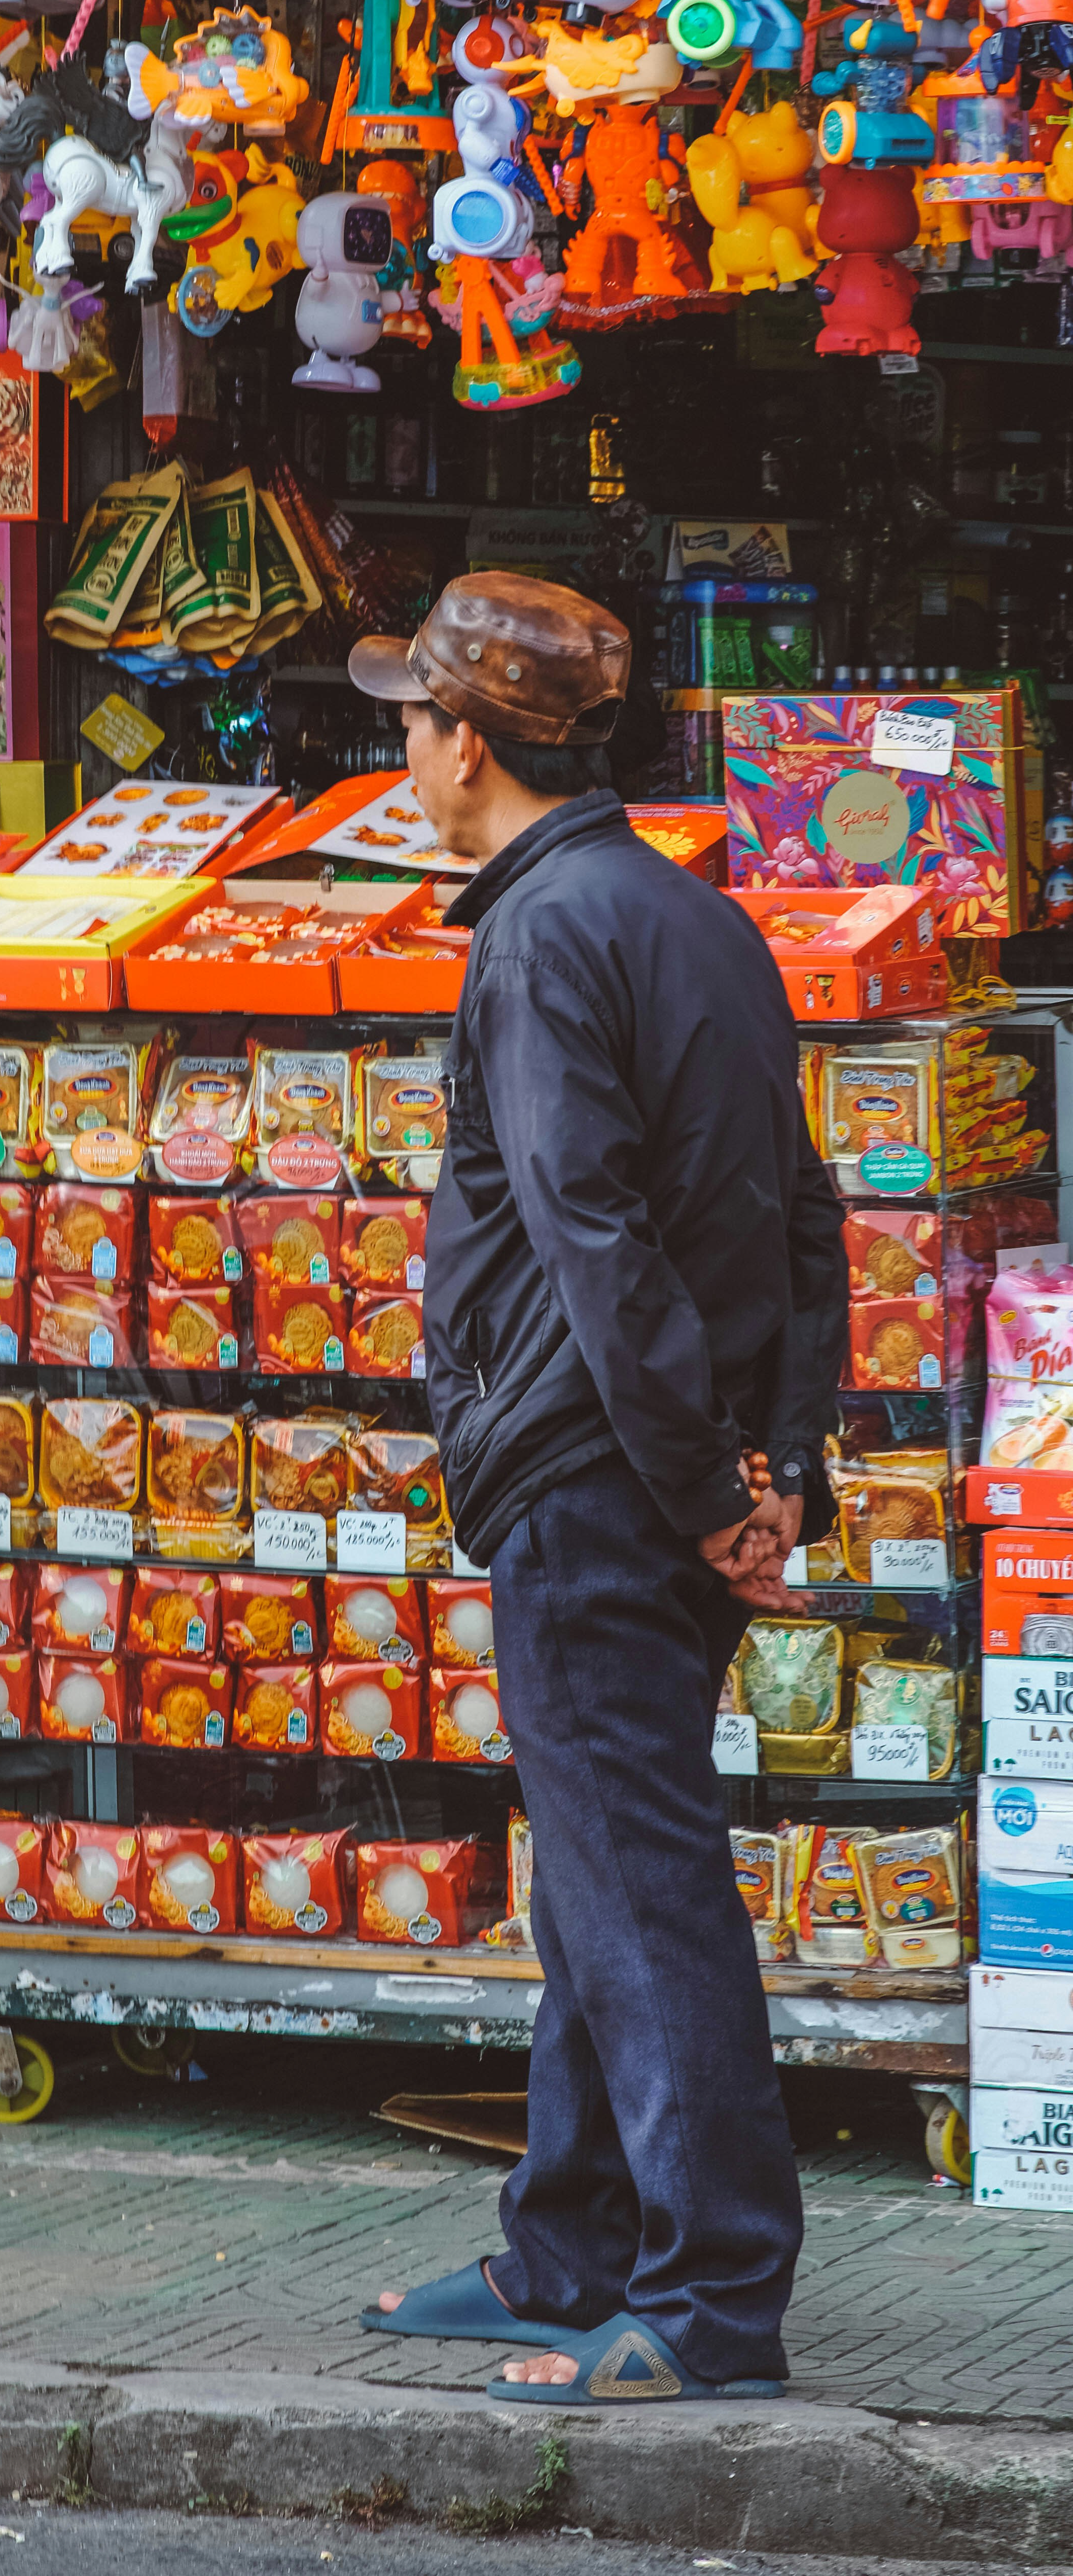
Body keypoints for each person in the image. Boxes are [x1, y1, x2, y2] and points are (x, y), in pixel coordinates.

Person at [346, 572, 845, 2409]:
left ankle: (716, 2306)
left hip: (596, 1478)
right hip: (669, 1468)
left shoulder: (544, 937)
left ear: (471, 742)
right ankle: (570, 2247)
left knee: (640, 1890)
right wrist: (780, 1465)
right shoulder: (697, 916)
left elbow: (592, 1234)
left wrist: (712, 1482)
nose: (400, 748)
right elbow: (806, 1213)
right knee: (602, 1883)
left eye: (412, 719)